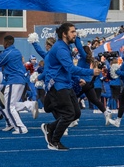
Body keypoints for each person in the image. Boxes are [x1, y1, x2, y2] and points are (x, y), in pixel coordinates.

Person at [40, 23, 93, 151]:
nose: (75, 34)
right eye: (73, 32)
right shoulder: (60, 48)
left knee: (76, 113)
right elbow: (70, 68)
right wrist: (91, 72)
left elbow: (65, 68)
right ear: (64, 34)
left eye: (75, 32)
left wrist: (76, 78)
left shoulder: (65, 46)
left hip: (65, 83)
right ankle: (54, 141)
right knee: (69, 113)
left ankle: (49, 127)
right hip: (57, 84)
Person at [0, 35, 30, 134]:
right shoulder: (16, 51)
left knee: (8, 106)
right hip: (21, 80)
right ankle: (28, 105)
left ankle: (21, 127)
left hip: (13, 81)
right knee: (11, 105)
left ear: (6, 43)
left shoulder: (8, 52)